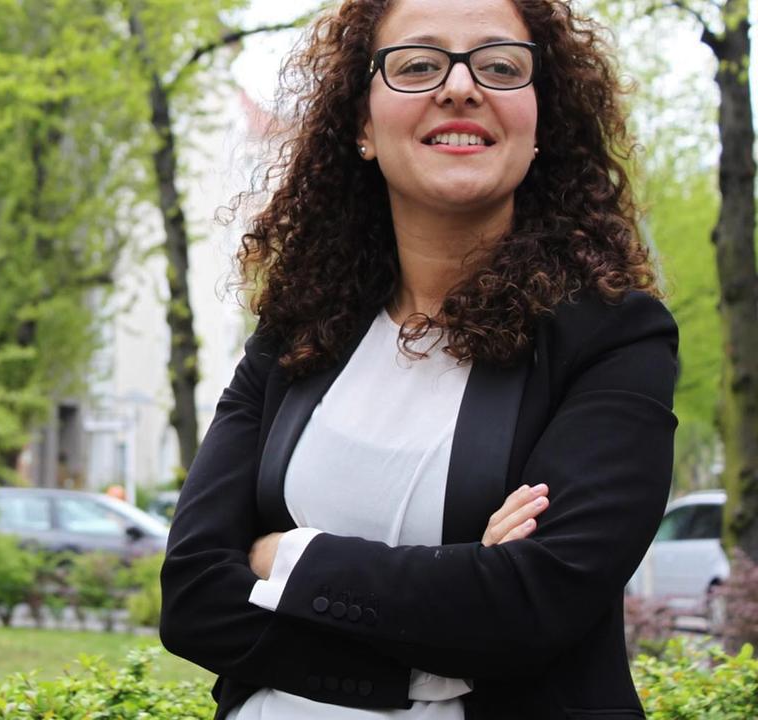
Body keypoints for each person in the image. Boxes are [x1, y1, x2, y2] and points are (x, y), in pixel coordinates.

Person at [159, 0, 677, 719]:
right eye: (417, 65)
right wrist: (423, 655)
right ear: (362, 125)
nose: (460, 87)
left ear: (539, 126)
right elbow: (190, 595)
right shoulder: (299, 333)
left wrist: (284, 557)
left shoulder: (614, 340)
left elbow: (532, 605)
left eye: (499, 65)